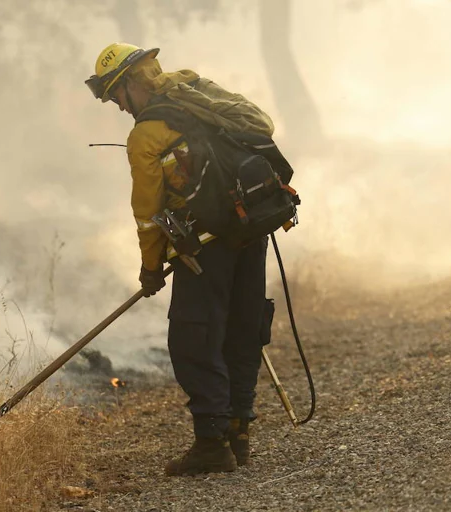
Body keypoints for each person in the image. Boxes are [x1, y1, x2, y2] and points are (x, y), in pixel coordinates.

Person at [86, 43, 276, 476]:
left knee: (194, 337)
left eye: (117, 94)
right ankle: (237, 433)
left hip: (205, 246)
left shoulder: (145, 135)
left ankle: (212, 445)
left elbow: (148, 215)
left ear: (133, 83)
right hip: (251, 226)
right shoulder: (195, 87)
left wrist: (150, 268)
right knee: (242, 328)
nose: (117, 107)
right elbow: (261, 125)